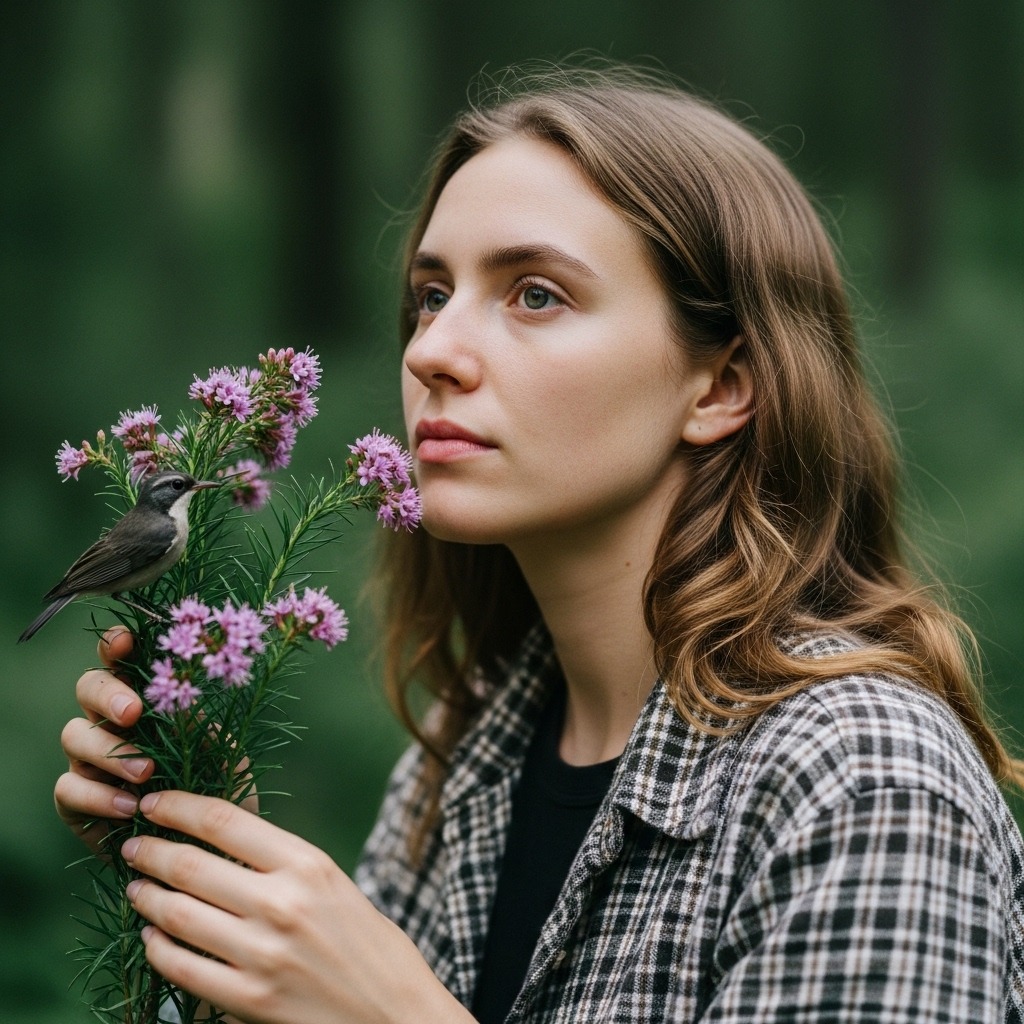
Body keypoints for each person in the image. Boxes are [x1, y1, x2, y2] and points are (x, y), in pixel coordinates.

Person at [56, 63, 1024, 1023]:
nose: (429, 350)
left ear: (720, 386)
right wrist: (217, 908)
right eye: (432, 295)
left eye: (534, 294)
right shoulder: (460, 763)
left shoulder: (865, 785)